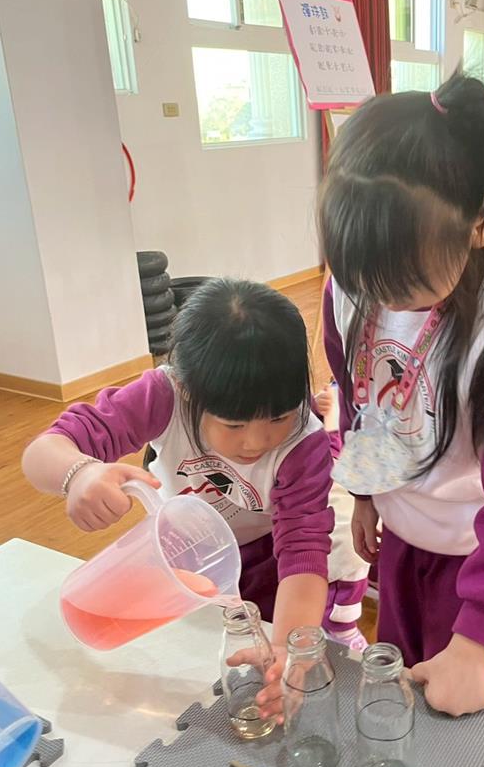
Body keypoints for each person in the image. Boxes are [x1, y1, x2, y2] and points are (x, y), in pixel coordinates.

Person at [319, 73, 484, 717]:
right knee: (401, 702)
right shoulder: (352, 289)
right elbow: (359, 398)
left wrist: (477, 645)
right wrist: (367, 493)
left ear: (478, 223)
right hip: (405, 542)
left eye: (401, 279)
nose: (378, 295)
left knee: (471, 722)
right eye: (362, 276)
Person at [22, 279, 368, 714]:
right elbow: (42, 452)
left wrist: (287, 649)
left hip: (268, 562)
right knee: (177, 663)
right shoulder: (162, 395)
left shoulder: (304, 443)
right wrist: (79, 474)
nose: (256, 442)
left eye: (278, 417)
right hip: (178, 554)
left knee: (253, 654)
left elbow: (302, 553)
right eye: (234, 425)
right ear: (187, 390)